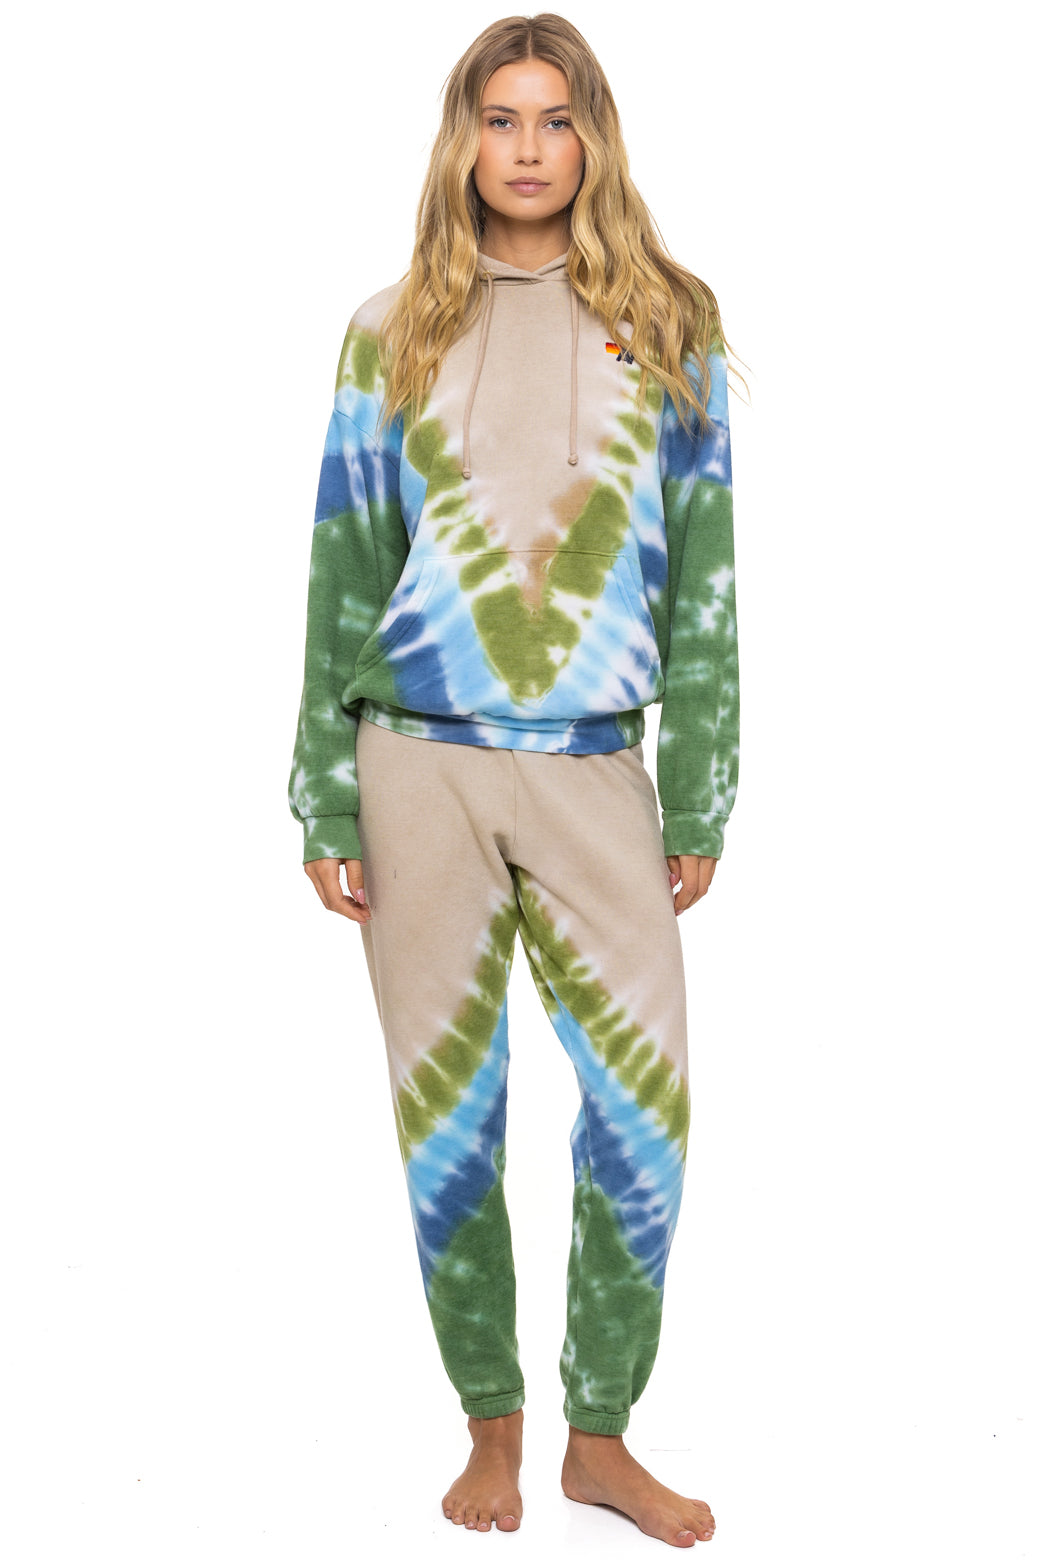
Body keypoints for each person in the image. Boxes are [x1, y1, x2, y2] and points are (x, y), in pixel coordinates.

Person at [288, 13, 744, 1547]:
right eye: (502, 119)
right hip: (416, 767)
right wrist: (324, 794)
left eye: (556, 119)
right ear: (464, 139)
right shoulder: (391, 331)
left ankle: (601, 1436)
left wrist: (702, 789)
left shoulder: (670, 325)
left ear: (593, 136)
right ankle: (492, 1424)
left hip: (595, 771)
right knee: (450, 1124)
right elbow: (344, 568)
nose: (530, 148)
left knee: (644, 1115)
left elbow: (707, 579)